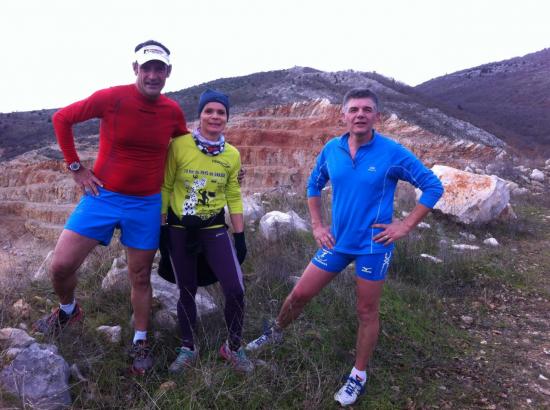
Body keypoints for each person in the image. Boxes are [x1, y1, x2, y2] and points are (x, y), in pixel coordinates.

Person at [246, 88, 444, 405]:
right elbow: (314, 184)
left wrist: (405, 225)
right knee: (300, 294)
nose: (360, 114)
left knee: (366, 311)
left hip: (372, 246)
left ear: (376, 116)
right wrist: (317, 225)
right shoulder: (332, 149)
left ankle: (358, 375)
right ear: (343, 115)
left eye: (367, 109)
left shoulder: (392, 152)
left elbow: (433, 186)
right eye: (353, 109)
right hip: (337, 242)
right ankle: (276, 331)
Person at [33, 40, 188, 375]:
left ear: (167, 73)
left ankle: (141, 340)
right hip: (102, 196)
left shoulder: (172, 112)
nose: (151, 75)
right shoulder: (112, 97)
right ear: (135, 69)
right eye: (146, 68)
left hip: (146, 204)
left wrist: (225, 164)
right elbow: (62, 118)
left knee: (139, 276)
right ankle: (68, 310)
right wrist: (75, 168)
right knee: (60, 266)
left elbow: (186, 147)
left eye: (158, 69)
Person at [161, 89, 253, 373]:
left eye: (221, 112)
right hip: (179, 229)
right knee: (186, 290)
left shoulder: (232, 154)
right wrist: (162, 227)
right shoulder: (179, 145)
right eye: (209, 111)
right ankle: (188, 347)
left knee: (235, 289)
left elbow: (233, 193)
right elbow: (165, 186)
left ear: (227, 117)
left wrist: (239, 236)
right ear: (199, 115)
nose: (215, 116)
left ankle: (233, 347)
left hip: (214, 228)